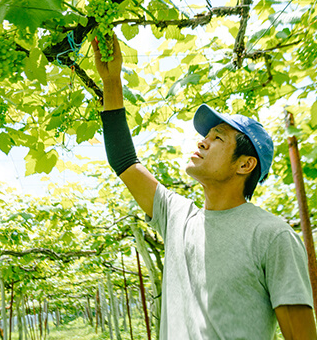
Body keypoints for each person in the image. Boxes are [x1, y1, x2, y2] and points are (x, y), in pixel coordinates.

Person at [91, 35, 317, 340]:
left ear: (244, 165)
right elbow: (124, 161)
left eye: (218, 137)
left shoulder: (272, 235)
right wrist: (111, 81)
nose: (202, 141)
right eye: (206, 135)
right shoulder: (177, 217)